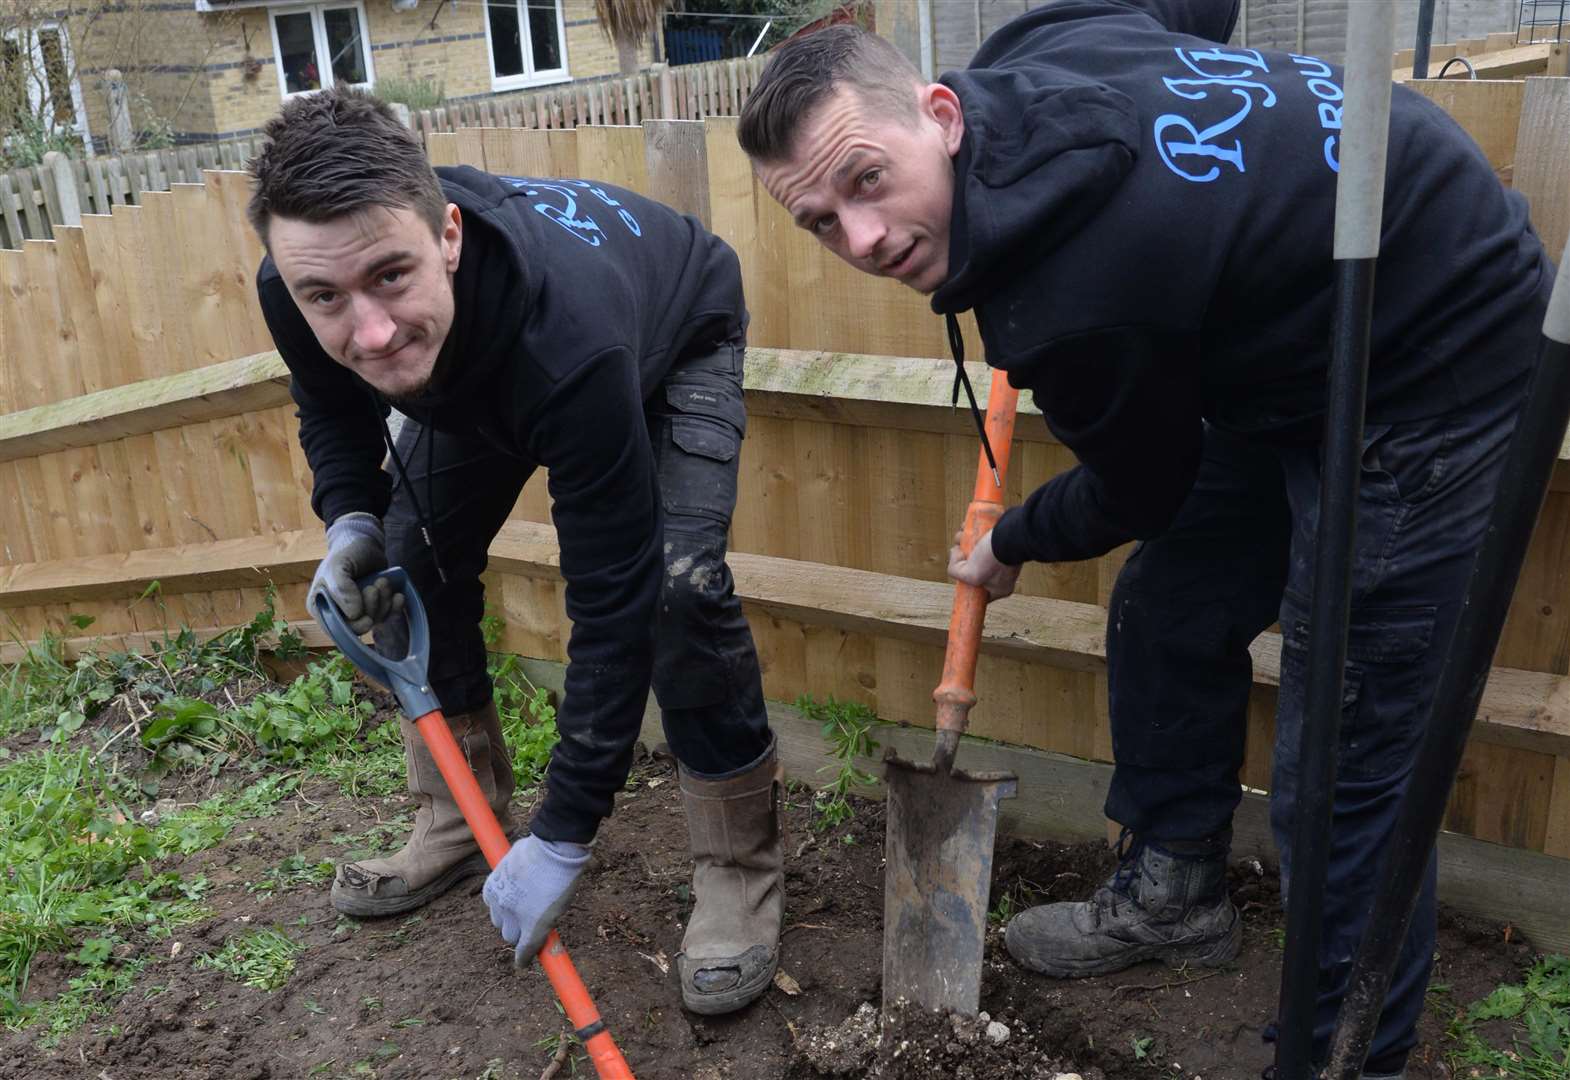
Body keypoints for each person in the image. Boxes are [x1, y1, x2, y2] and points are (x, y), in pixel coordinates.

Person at [737, 3, 1554, 1076]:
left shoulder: (1072, 303)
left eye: (865, 181)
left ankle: (1348, 1058)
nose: (864, 239)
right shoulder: (1033, 48)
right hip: (1299, 342)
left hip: (1434, 349)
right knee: (1169, 605)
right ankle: (1175, 890)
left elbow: (1148, 485)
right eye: (821, 224)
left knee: (1342, 767)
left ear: (939, 113)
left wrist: (1015, 537)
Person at [246, 86, 784, 1016]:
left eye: (391, 277)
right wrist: (352, 525)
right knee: (411, 561)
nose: (366, 330)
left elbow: (608, 598)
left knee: (674, 592)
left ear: (447, 236)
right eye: (326, 295)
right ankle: (461, 819)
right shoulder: (300, 279)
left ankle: (739, 870)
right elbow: (331, 406)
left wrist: (567, 833)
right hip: (485, 355)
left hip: (669, 325)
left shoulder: (567, 343)